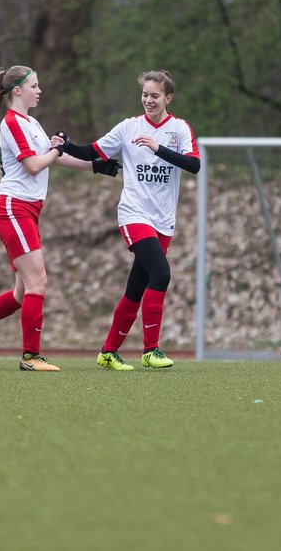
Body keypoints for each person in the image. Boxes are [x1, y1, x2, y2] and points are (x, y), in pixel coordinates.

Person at [0, 65, 119, 372]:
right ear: (18, 91)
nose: (39, 90)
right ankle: (30, 357)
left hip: (26, 210)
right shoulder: (12, 123)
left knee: (21, 292)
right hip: (13, 208)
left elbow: (55, 155)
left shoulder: (31, 122)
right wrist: (55, 151)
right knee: (37, 282)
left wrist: (95, 166)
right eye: (34, 86)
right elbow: (34, 165)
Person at [59, 70, 200, 370]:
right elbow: (92, 151)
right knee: (161, 274)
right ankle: (151, 350)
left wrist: (158, 148)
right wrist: (67, 144)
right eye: (145, 95)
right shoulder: (128, 127)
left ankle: (108, 352)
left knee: (136, 289)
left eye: (155, 96)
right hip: (134, 213)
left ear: (168, 98)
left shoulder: (179, 129)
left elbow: (194, 165)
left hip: (164, 221)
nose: (148, 100)